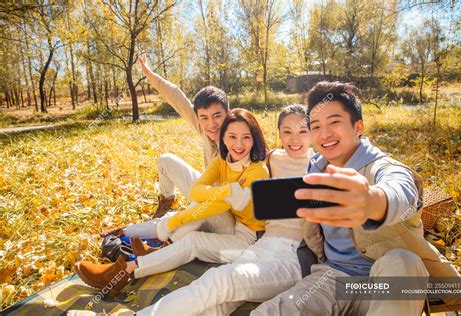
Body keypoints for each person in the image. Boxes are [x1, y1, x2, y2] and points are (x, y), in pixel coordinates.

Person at [251, 81, 461, 315]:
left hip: (384, 284)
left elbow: (402, 189)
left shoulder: (382, 167)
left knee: (403, 261)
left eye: (334, 122)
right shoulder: (315, 167)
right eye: (316, 126)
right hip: (333, 279)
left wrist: (372, 201)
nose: (324, 134)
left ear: (358, 126)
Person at [134, 104, 315, 315]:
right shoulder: (272, 159)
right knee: (221, 302)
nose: (295, 139)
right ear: (279, 134)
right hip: (263, 245)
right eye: (287, 132)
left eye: (303, 131)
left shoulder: (321, 166)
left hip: (294, 255)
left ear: (313, 132)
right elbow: (239, 153)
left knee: (220, 280)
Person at [74, 109, 269, 296]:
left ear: (255, 138)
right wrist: (228, 189)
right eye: (232, 136)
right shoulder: (222, 161)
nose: (239, 144)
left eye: (246, 137)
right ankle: (139, 238)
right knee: (193, 210)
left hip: (248, 240)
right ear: (224, 137)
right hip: (231, 223)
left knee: (193, 234)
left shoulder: (257, 171)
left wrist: (176, 222)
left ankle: (124, 272)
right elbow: (196, 191)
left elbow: (217, 205)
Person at [138, 55, 229, 218]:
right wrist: (151, 75)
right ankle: (166, 203)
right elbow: (177, 97)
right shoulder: (203, 126)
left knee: (180, 222)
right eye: (205, 118)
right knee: (165, 161)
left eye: (217, 116)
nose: (212, 124)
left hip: (226, 210)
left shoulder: (238, 139)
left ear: (227, 114)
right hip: (206, 191)